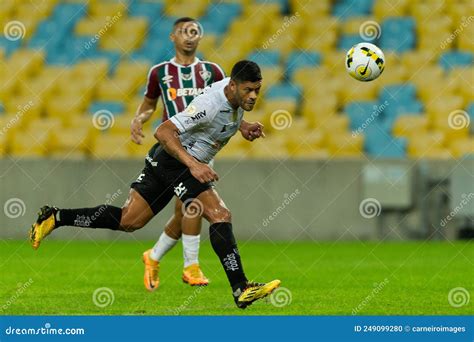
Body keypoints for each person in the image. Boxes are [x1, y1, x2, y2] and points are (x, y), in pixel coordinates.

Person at [29, 60, 280, 309]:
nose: (253, 96)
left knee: (130, 221)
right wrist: (193, 165)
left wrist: (243, 126)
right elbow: (163, 131)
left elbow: (224, 116)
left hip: (166, 160)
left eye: (257, 89)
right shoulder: (210, 104)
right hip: (176, 161)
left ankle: (55, 217)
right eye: (248, 90)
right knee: (219, 214)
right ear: (233, 85)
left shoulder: (231, 93)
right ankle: (241, 288)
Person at [130, 17, 225, 290]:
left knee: (185, 211)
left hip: (203, 146)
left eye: (194, 31)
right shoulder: (159, 72)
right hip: (173, 148)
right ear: (173, 36)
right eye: (184, 31)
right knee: (191, 204)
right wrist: (139, 118)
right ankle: (190, 267)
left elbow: (229, 101)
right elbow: (149, 103)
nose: (189, 36)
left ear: (200, 37)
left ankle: (154, 256)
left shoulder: (212, 72)